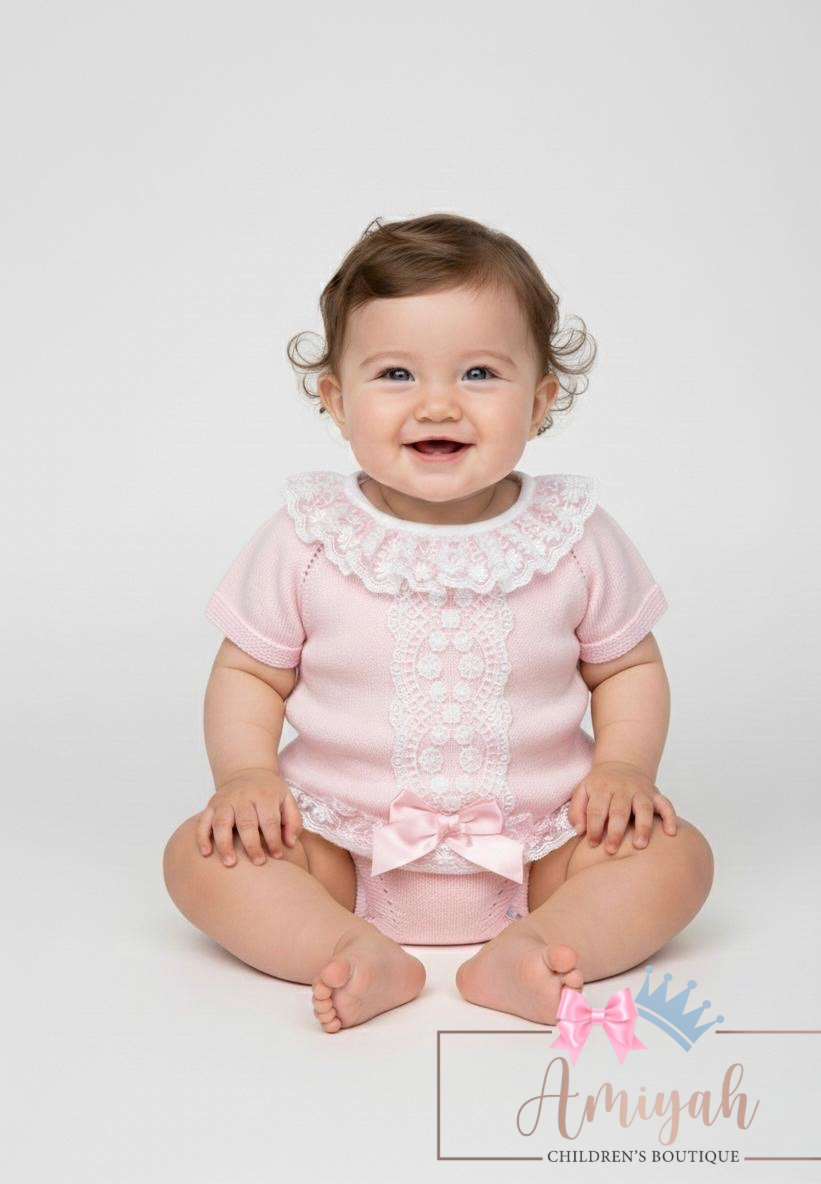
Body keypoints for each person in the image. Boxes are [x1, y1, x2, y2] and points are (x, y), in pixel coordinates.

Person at [162, 212, 714, 1034]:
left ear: (541, 400)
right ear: (337, 400)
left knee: (680, 858)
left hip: (545, 848)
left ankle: (536, 946)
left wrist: (625, 769)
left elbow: (627, 666)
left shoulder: (573, 536)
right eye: (395, 374)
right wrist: (246, 777)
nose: (438, 404)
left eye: (480, 373)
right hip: (339, 849)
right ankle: (347, 947)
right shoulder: (309, 538)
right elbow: (249, 671)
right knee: (198, 857)